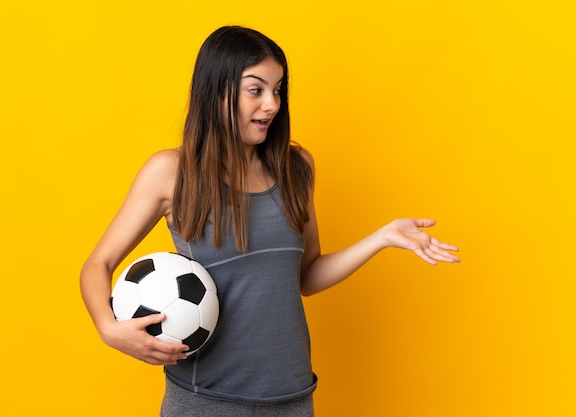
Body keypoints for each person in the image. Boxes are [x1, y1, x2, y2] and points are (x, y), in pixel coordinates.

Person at [80, 25, 460, 417]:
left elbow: (306, 276)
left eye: (278, 90)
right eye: (255, 89)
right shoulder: (171, 172)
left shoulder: (297, 167)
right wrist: (109, 329)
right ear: (217, 90)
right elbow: (98, 264)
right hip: (205, 401)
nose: (272, 105)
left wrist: (381, 237)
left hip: (292, 397)